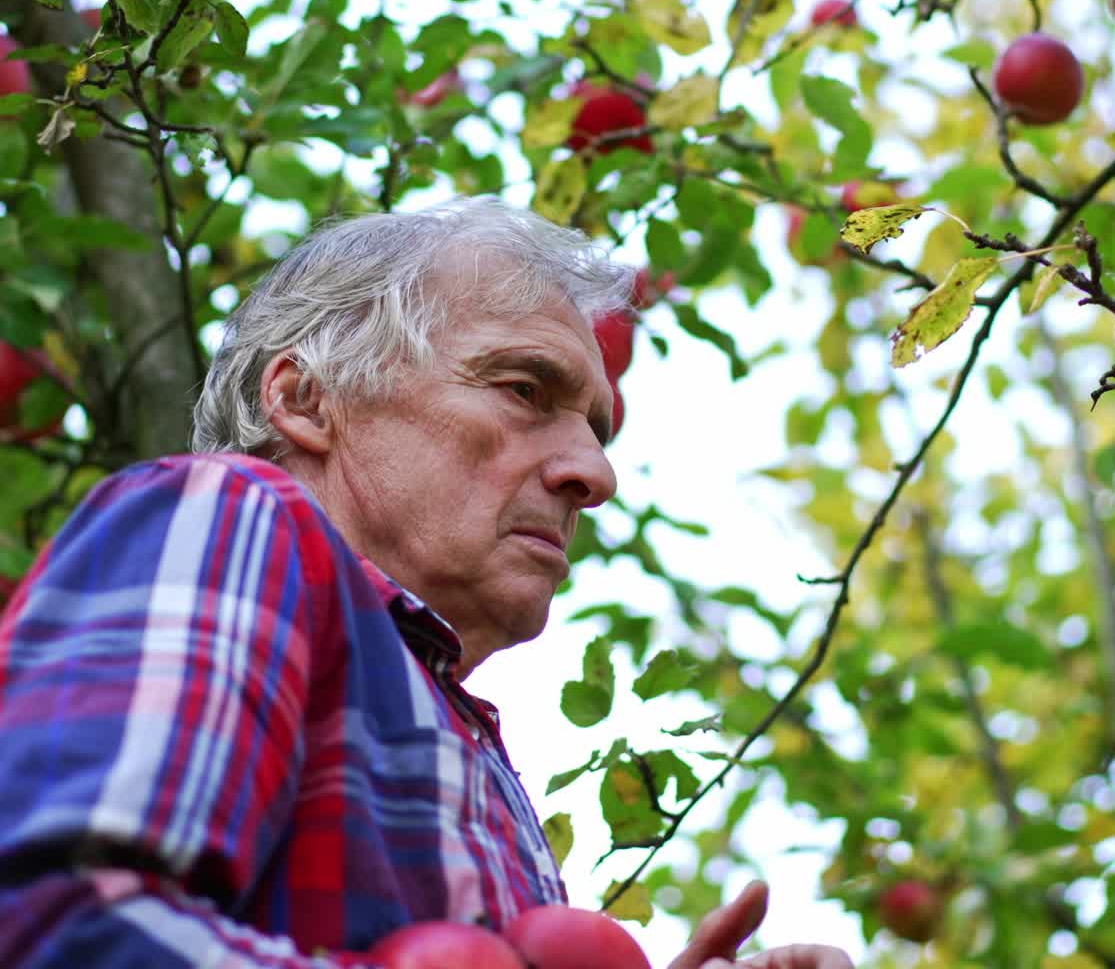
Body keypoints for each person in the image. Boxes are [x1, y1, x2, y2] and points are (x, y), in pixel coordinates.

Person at [0, 197, 853, 967]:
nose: (596, 474)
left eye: (598, 432)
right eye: (524, 390)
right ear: (306, 401)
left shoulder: (474, 752)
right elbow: (50, 920)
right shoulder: (233, 512)